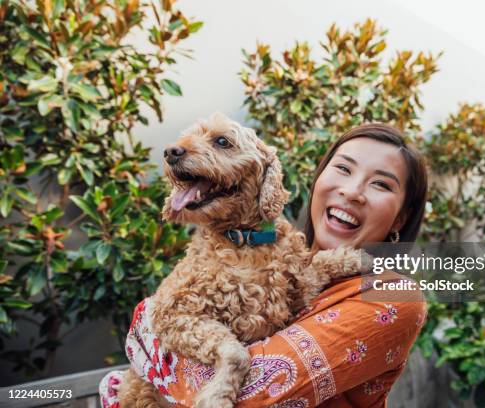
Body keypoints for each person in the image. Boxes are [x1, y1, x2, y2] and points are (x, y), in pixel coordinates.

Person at [99, 123, 429, 408]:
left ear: (401, 216)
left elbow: (254, 397)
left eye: (381, 184)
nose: (352, 191)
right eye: (343, 169)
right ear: (319, 180)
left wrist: (148, 330)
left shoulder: (395, 296)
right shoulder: (271, 252)